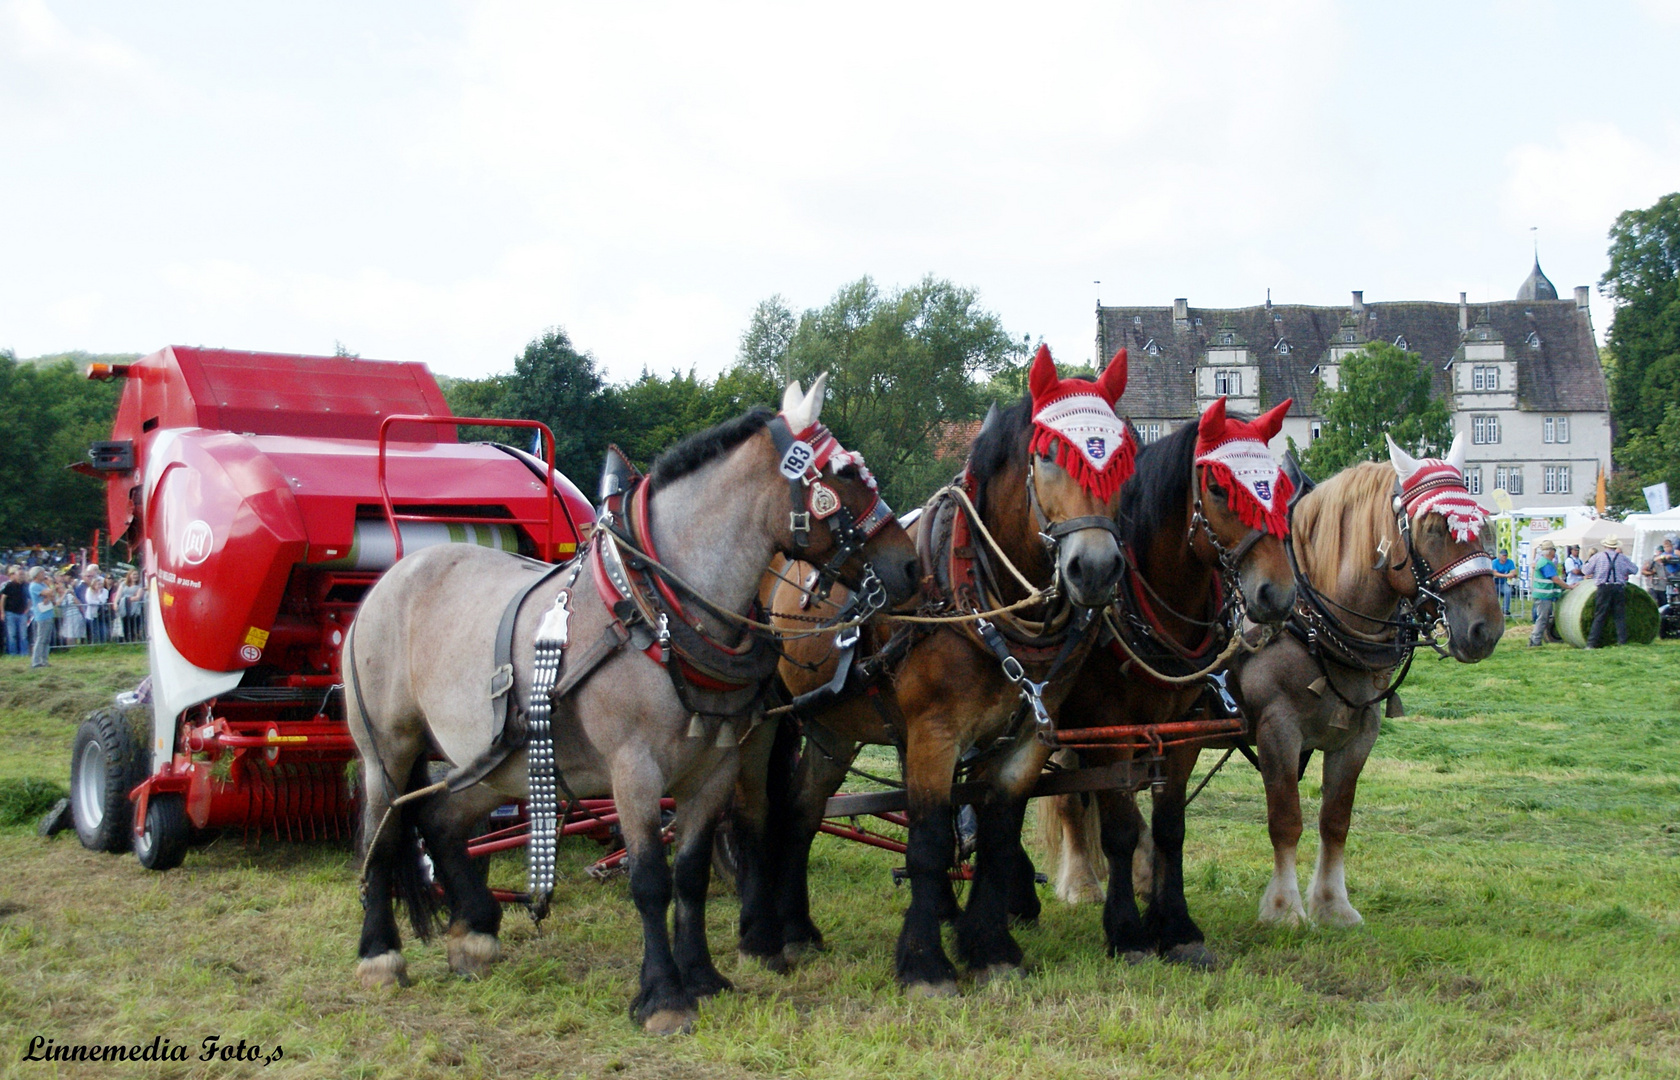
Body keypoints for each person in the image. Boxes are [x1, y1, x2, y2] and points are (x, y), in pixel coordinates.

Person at [1582, 537, 1640, 648]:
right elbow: (1635, 570)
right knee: (1619, 616)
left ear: (1604, 546)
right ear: (1616, 546)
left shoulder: (1598, 557)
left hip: (1604, 588)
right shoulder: (1622, 558)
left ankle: (1591, 643)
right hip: (1618, 588)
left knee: (1599, 615)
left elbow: (1585, 571)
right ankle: (1622, 642)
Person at [1528, 540, 1567, 647]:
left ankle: (1534, 639)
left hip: (1541, 595)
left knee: (1542, 618)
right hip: (1544, 596)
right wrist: (1569, 587)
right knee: (1542, 618)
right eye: (1554, 550)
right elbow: (1555, 579)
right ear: (1550, 552)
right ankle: (1535, 640)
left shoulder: (1541, 561)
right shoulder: (1546, 563)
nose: (1555, 553)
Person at [27, 567, 56, 667]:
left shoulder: (42, 584)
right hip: (41, 615)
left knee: (47, 639)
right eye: (42, 573)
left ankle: (44, 660)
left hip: (48, 612)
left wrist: (48, 596)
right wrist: (51, 585)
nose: (44, 574)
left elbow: (51, 596)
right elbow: (50, 593)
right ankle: (36, 661)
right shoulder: (34, 586)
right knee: (41, 638)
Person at [1645, 535, 1679, 607]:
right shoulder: (1663, 555)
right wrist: (1663, 557)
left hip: (1676, 574)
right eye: (1665, 547)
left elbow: (1674, 557)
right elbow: (1656, 559)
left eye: (1668, 546)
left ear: (1672, 546)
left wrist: (1670, 557)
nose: (1667, 548)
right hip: (1666, 581)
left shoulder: (1674, 554)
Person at [1, 565, 27, 656]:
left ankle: (24, 653)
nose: (21, 576)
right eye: (19, 575)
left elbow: (29, 599)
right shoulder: (9, 585)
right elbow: (3, 599)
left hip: (22, 613)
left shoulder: (25, 586)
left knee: (23, 635)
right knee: (11, 635)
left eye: (22, 575)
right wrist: (2, 612)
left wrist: (26, 610)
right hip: (10, 612)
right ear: (15, 575)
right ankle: (13, 653)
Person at [1491, 548, 1518, 617]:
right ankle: (1492, 610)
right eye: (1503, 555)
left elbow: (1514, 572)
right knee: (1492, 595)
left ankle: (1505, 609)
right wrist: (1506, 575)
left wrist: (1512, 574)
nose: (1504, 557)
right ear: (1500, 556)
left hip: (1503, 583)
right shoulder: (1494, 562)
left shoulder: (1510, 562)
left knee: (1508, 591)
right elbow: (1495, 573)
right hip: (1493, 582)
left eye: (1506, 555)